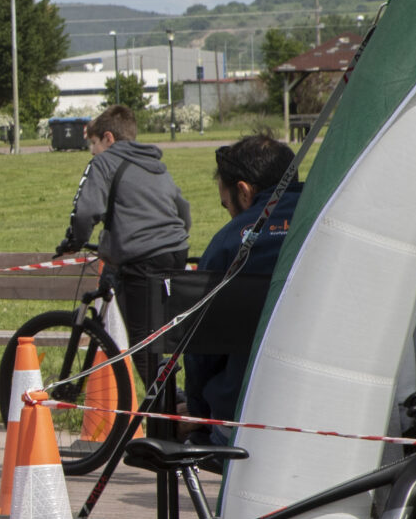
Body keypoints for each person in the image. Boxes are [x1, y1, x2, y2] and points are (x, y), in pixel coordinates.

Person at [57, 103, 191, 388]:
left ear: (108, 138)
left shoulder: (104, 162)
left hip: (142, 256)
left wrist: (74, 241)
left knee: (142, 342)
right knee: (156, 334)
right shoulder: (155, 165)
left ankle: (169, 410)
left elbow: (85, 211)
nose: (92, 150)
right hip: (175, 252)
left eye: (93, 143)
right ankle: (171, 398)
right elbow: (183, 211)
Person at [185, 134, 302, 429]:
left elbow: (200, 347)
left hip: (244, 412)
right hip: (335, 409)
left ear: (244, 192)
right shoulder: (332, 221)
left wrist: (198, 414)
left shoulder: (227, 244)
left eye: (227, 206)